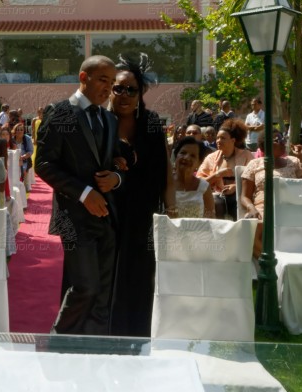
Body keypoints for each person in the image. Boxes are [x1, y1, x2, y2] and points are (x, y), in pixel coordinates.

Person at [36, 55, 123, 336]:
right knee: (85, 287)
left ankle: (94, 347)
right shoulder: (59, 112)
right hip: (73, 217)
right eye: (103, 80)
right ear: (83, 77)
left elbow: (117, 161)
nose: (108, 88)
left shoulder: (110, 119)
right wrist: (84, 193)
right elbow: (44, 165)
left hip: (107, 216)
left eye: (112, 82)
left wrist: (116, 178)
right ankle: (57, 343)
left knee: (103, 292)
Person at [107, 53, 174, 337]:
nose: (124, 94)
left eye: (131, 90)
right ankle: (106, 337)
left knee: (140, 275)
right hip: (107, 212)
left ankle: (138, 337)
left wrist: (171, 211)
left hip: (143, 213)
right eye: (118, 88)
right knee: (109, 276)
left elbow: (165, 171)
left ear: (140, 94)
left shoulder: (151, 123)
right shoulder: (99, 121)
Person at [240, 130, 302, 258]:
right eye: (278, 140)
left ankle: (276, 263)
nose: (283, 142)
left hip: (289, 206)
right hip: (263, 207)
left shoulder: (294, 161)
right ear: (265, 145)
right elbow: (244, 196)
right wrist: (251, 208)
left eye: (283, 139)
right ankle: (273, 262)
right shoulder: (254, 164)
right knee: (249, 230)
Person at [197, 119, 254, 220]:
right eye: (217, 138)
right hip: (216, 197)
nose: (218, 141)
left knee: (237, 202)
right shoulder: (210, 158)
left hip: (241, 196)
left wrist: (236, 187)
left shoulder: (246, 155)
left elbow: (254, 178)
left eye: (222, 138)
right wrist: (217, 175)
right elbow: (199, 183)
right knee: (216, 203)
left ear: (233, 140)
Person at [172, 136, 215, 218]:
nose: (186, 158)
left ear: (199, 163)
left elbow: (211, 218)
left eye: (193, 156)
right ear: (176, 156)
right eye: (183, 153)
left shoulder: (204, 186)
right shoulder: (166, 183)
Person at [11, 123, 33, 190]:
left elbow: (30, 151)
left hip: (25, 160)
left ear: (24, 131)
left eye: (21, 130)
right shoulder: (12, 139)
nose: (19, 131)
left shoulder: (27, 139)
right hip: (14, 160)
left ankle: (25, 187)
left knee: (23, 170)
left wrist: (23, 157)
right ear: (15, 131)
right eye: (17, 130)